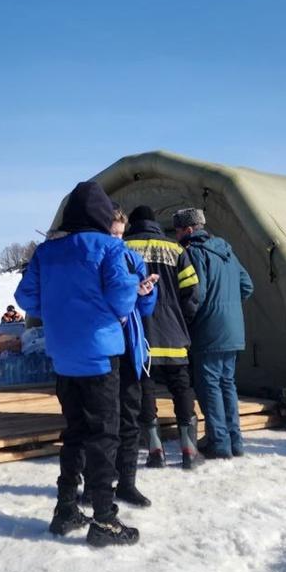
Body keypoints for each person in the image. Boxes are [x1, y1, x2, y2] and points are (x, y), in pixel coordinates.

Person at [14, 181, 140, 546]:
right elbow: (121, 299)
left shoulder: (46, 252)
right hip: (99, 358)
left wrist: (60, 311)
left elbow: (27, 299)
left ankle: (66, 508)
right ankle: (104, 520)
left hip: (63, 356)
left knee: (74, 433)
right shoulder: (110, 248)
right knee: (104, 437)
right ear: (102, 215)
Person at [124, 204, 201, 470]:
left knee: (145, 387)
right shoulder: (176, 249)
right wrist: (182, 319)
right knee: (181, 387)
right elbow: (191, 291)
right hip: (174, 332)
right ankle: (189, 449)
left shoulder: (124, 248)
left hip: (139, 334)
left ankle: (155, 449)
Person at [175, 207, 252, 460]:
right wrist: (228, 305)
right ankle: (235, 441)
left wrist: (185, 322)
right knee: (227, 384)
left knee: (209, 386)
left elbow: (198, 294)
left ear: (188, 229)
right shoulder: (227, 251)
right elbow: (246, 286)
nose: (176, 235)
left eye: (177, 230)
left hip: (208, 329)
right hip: (233, 329)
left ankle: (219, 443)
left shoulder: (194, 253)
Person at [109, 208, 158, 507]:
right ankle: (97, 483)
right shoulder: (98, 259)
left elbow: (146, 307)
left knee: (129, 417)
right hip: (104, 347)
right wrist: (131, 292)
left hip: (131, 348)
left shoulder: (131, 257)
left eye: (120, 234)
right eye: (112, 233)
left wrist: (147, 291)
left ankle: (127, 482)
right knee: (103, 419)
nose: (117, 239)